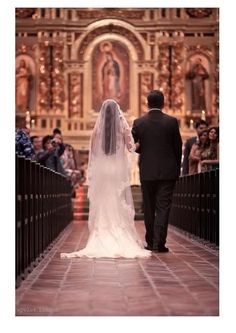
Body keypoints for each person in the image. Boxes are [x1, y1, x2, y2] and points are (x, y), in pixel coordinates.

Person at [61, 99, 151, 259]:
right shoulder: (123, 127)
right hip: (116, 170)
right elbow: (131, 148)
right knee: (116, 199)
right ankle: (118, 231)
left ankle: (102, 232)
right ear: (118, 112)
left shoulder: (97, 130)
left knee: (104, 200)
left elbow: (94, 154)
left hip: (103, 170)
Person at [132, 90, 182, 252]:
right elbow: (177, 148)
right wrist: (176, 169)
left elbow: (132, 146)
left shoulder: (139, 122)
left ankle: (150, 241)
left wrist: (144, 151)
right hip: (168, 171)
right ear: (163, 103)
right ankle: (159, 243)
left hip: (147, 171)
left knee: (149, 207)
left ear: (147, 103)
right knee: (163, 207)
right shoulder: (172, 122)